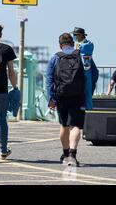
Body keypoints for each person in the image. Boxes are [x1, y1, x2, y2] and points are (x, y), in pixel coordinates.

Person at [46, 33, 87, 167]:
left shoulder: (55, 58)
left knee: (64, 125)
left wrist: (50, 98)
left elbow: (49, 79)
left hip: (61, 95)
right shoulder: (81, 55)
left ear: (60, 45)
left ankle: (65, 154)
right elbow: (94, 74)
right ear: (73, 43)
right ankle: (72, 155)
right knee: (75, 125)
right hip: (78, 96)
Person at [0, 23, 18, 160]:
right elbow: (11, 72)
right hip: (1, 91)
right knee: (2, 120)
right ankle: (3, 151)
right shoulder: (6, 49)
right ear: (0, 35)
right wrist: (14, 87)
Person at [71, 27, 98, 110]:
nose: (74, 37)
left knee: (87, 91)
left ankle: (88, 110)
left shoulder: (87, 45)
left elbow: (85, 62)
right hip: (78, 71)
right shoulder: (77, 44)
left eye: (75, 35)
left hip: (85, 71)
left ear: (81, 35)